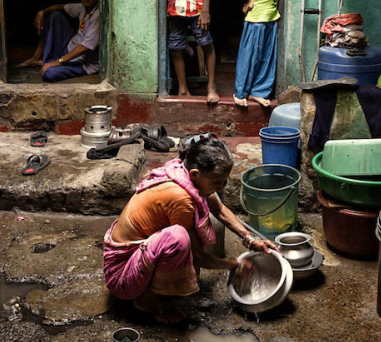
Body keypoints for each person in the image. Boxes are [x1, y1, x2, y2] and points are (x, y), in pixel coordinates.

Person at [103, 134, 278, 323]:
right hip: (122, 278)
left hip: (136, 261)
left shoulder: (183, 173)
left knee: (182, 241)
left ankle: (157, 287)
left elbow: (218, 208)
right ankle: (147, 301)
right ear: (195, 174)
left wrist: (250, 240)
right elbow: (197, 256)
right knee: (178, 238)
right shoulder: (180, 198)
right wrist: (234, 265)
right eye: (216, 182)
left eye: (223, 182)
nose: (220, 188)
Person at [16, 0, 99, 82]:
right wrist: (42, 12)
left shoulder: (98, 15)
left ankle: (49, 62)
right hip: (69, 47)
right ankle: (39, 58)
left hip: (82, 62)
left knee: (48, 73)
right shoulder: (83, 8)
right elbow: (61, 6)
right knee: (55, 16)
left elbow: (84, 47)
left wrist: (59, 61)